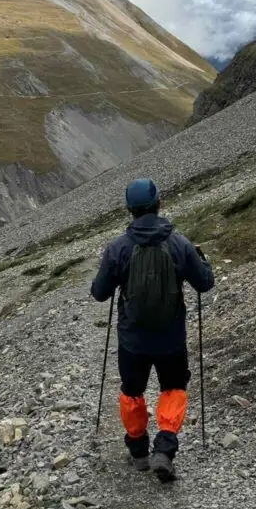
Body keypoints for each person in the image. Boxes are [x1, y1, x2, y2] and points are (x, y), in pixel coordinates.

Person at [91, 177, 214, 482]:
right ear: (159, 204)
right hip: (171, 339)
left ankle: (138, 449)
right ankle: (165, 446)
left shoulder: (118, 247)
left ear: (129, 210)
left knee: (132, 391)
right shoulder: (179, 243)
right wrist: (201, 260)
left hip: (133, 340)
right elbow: (205, 283)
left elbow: (99, 293)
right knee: (173, 388)